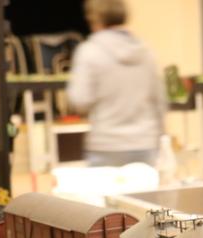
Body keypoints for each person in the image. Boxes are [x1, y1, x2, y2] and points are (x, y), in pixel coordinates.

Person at [67, 0, 167, 167]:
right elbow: (160, 101)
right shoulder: (146, 51)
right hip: (145, 142)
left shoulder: (89, 51)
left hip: (106, 143)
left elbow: (80, 100)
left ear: (95, 18)